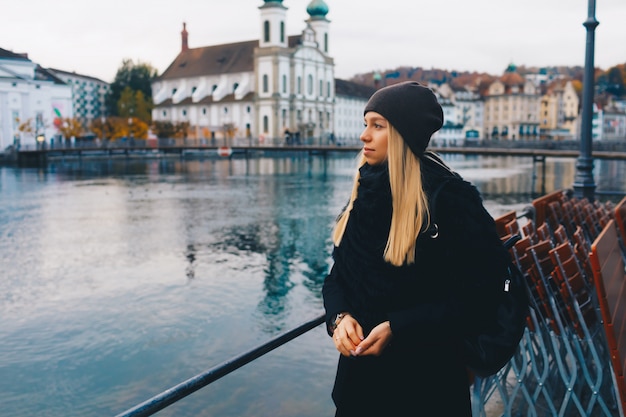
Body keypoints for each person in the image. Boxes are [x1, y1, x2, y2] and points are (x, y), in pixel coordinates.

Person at [322, 81, 511, 416]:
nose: (364, 135)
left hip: (426, 388)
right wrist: (340, 318)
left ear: (403, 135)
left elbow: (480, 298)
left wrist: (399, 327)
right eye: (366, 124)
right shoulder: (363, 193)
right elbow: (338, 277)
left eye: (377, 126)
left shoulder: (450, 201)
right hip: (358, 389)